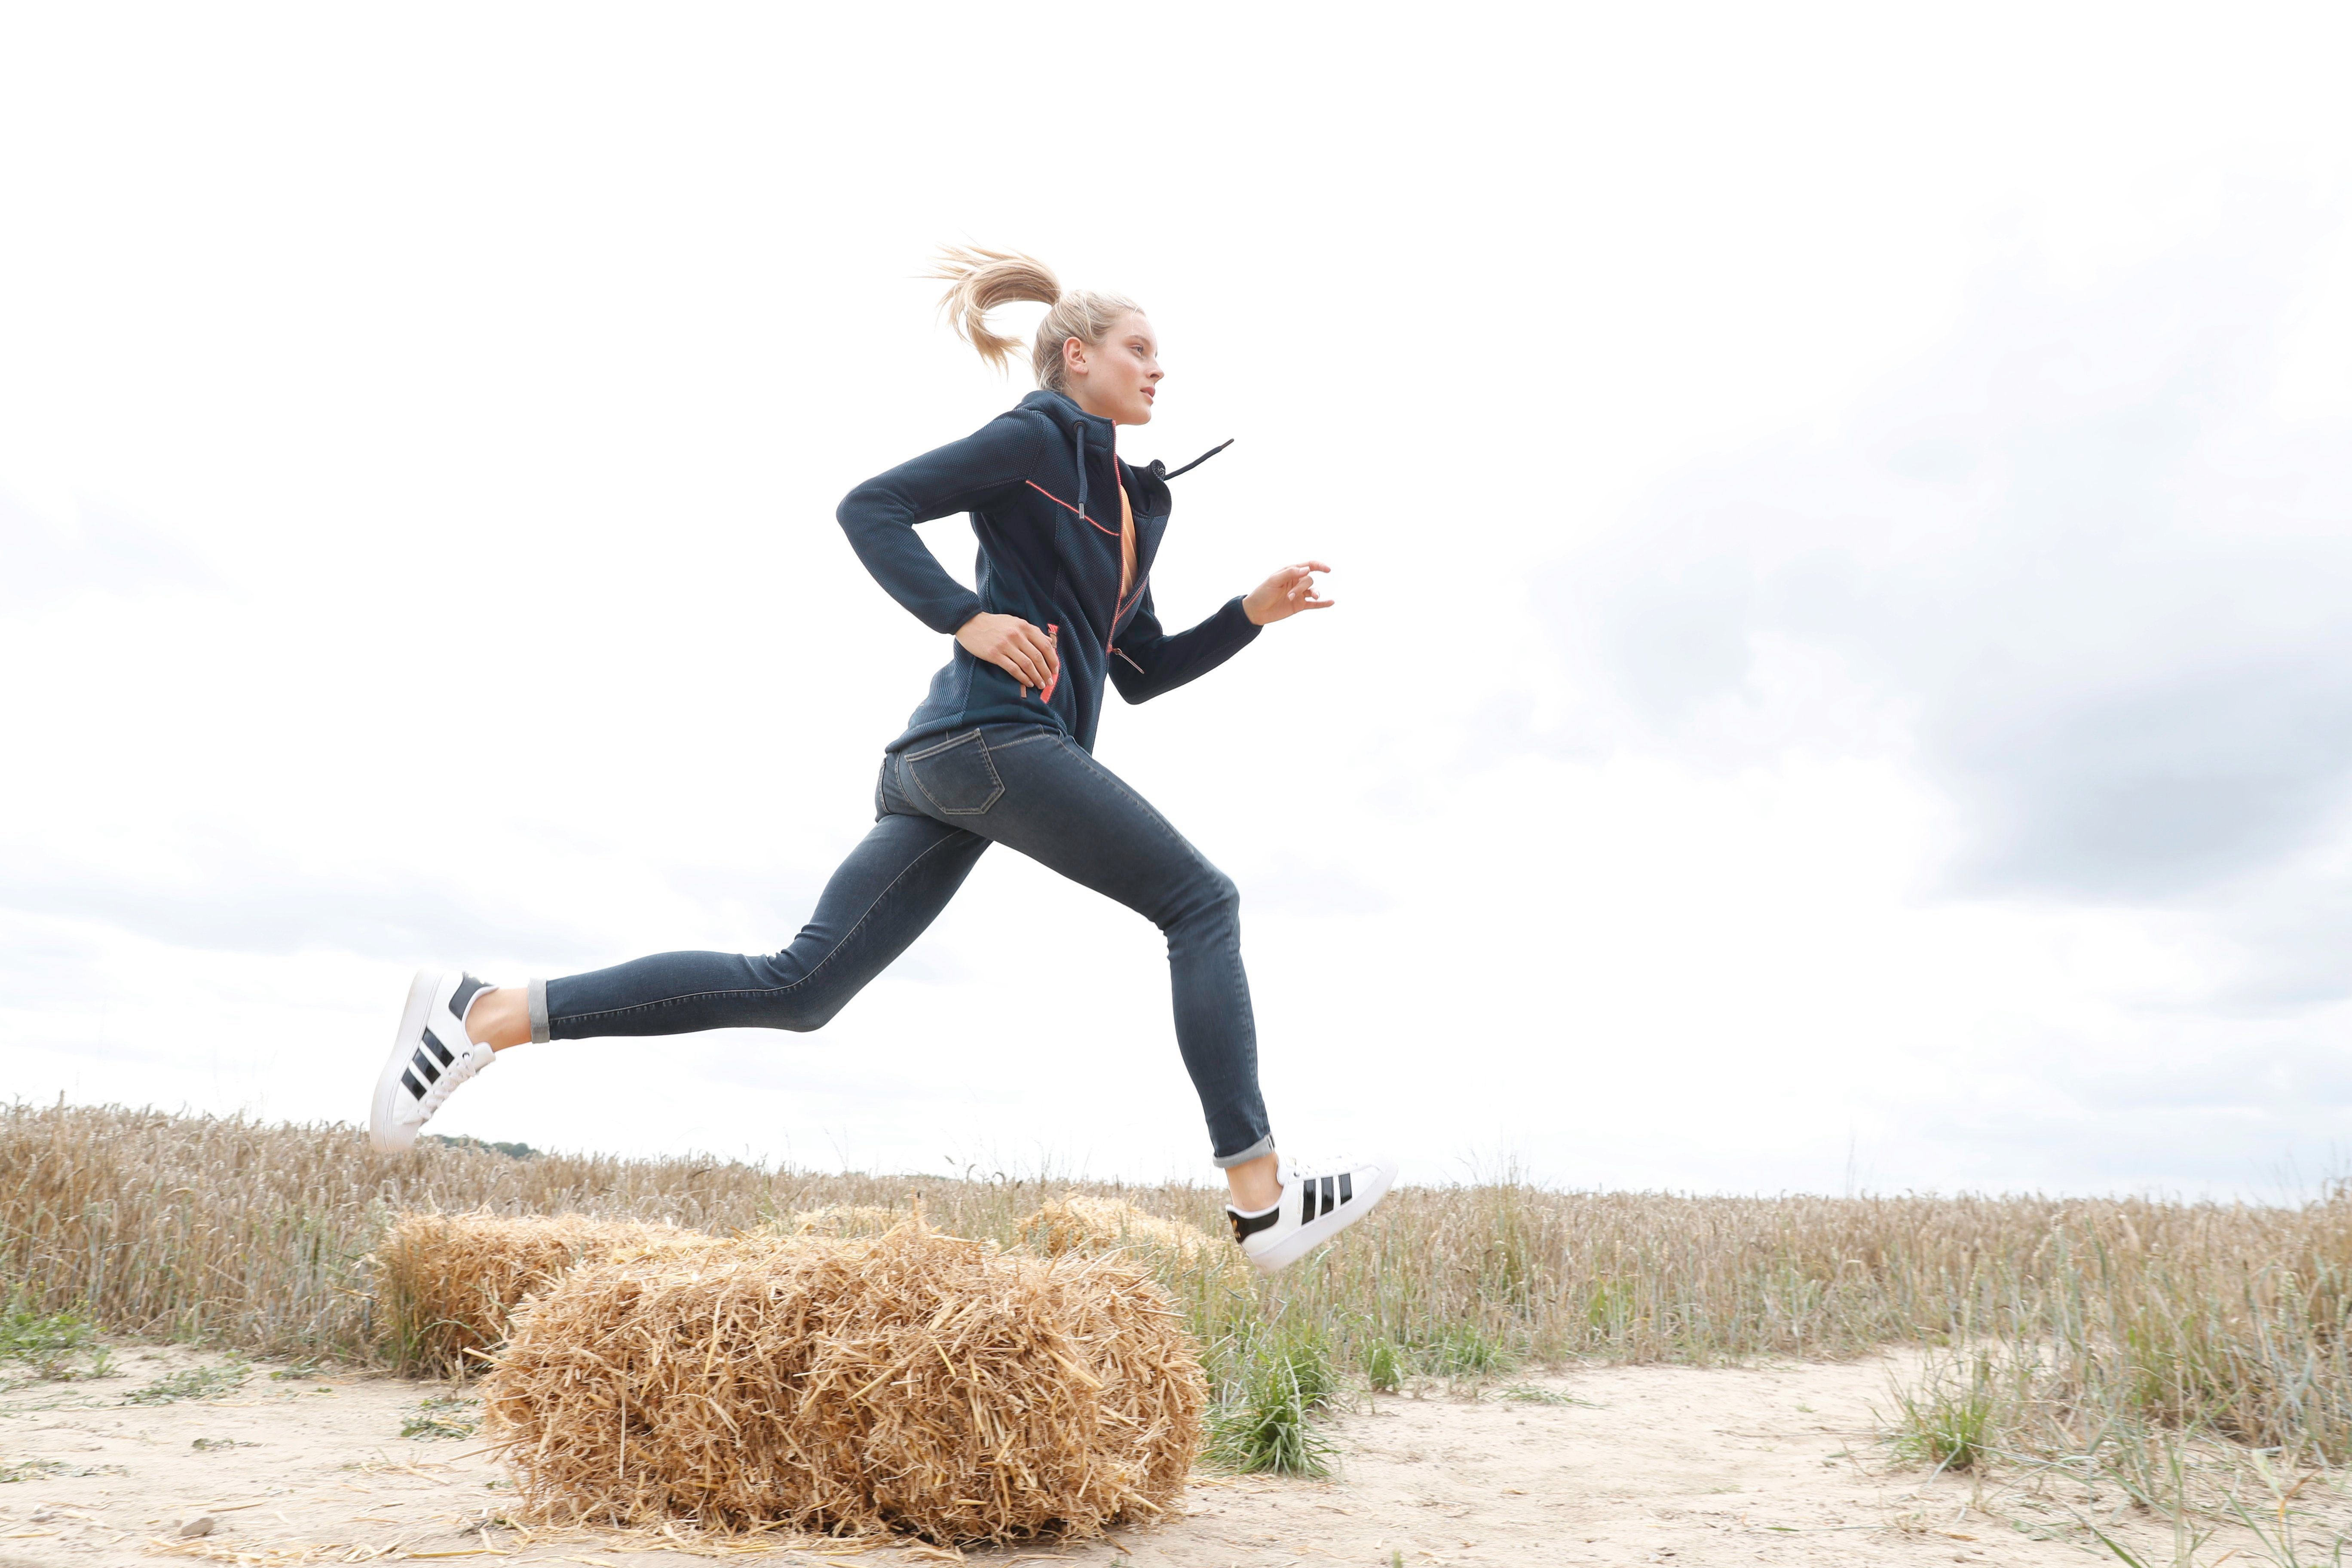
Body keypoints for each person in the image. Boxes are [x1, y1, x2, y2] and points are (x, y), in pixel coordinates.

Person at [367, 247, 1393, 1274]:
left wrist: (1250, 615)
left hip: (953, 769)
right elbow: (872, 506)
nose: (1158, 369)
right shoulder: (1037, 437)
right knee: (1201, 903)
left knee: (801, 988)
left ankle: (485, 1014)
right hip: (992, 741)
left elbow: (1141, 670)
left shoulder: (1137, 505)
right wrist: (969, 617)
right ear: (1078, 358)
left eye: (1160, 355)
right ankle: (1262, 1204)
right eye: (1140, 349)